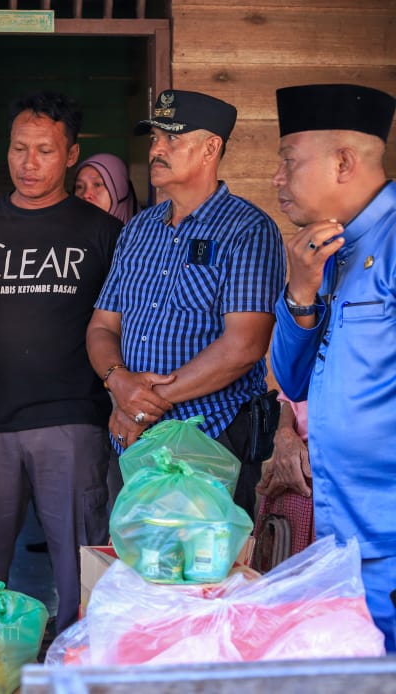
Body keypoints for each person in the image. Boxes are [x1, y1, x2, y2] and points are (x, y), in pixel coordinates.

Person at [0, 90, 121, 633]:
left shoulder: (102, 233)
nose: (28, 162)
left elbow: (123, 326)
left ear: (70, 155)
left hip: (72, 421)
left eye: (44, 150)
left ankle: (74, 666)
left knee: (80, 567)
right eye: (19, 148)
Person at [86, 89, 285, 519]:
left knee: (204, 576)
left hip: (210, 440)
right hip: (133, 441)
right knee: (134, 568)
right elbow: (103, 325)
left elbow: (244, 347)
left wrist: (139, 406)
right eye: (155, 138)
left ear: (211, 147)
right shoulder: (139, 229)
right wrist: (118, 382)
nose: (156, 149)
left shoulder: (248, 229)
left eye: (172, 139)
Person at [269, 82, 396, 651]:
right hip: (341, 535)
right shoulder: (321, 252)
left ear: (343, 161)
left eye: (288, 161)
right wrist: (300, 292)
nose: (277, 178)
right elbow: (291, 379)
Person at [73, 152, 139, 224]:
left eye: (97, 185)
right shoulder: (66, 232)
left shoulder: (145, 232)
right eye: (79, 187)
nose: (86, 195)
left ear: (120, 191)